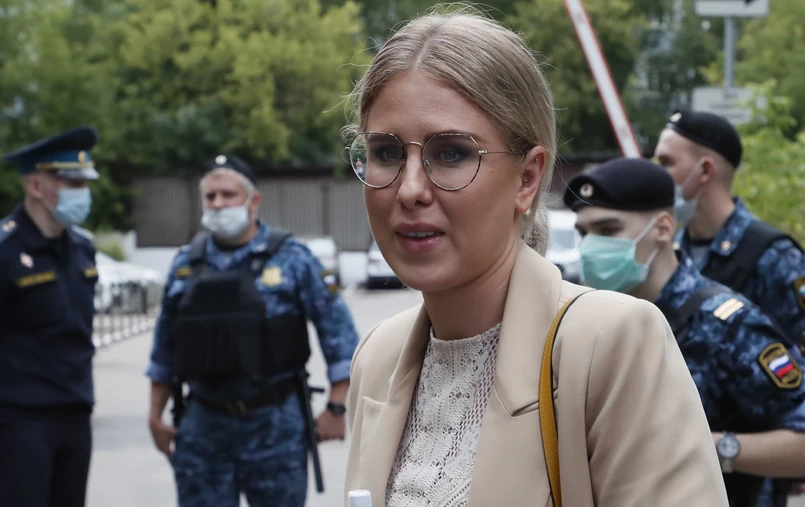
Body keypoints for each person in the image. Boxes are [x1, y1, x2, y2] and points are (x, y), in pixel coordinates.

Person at [342, 8, 728, 507]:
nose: (410, 189)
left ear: (527, 178)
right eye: (387, 153)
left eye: (451, 153)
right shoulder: (378, 357)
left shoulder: (609, 343)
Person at [565, 157, 805, 507]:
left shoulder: (727, 326)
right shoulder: (588, 318)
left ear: (663, 228)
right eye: (584, 233)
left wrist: (714, 447)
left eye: (607, 230)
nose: (590, 247)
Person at [145, 154, 359, 507]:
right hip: (204, 427)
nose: (218, 204)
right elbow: (164, 349)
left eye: (228, 195)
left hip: (275, 427)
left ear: (253, 200)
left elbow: (339, 335)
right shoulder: (187, 264)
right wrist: (155, 415)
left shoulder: (291, 257)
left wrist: (336, 408)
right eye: (210, 196)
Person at [0, 127, 101, 507]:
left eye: (84, 183)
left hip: (76, 414)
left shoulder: (82, 248)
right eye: (71, 182)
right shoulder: (6, 251)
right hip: (19, 421)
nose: (81, 192)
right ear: (35, 186)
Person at [654, 111, 805, 351]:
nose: (657, 175)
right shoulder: (673, 248)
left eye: (666, 163)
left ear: (704, 171)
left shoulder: (774, 255)